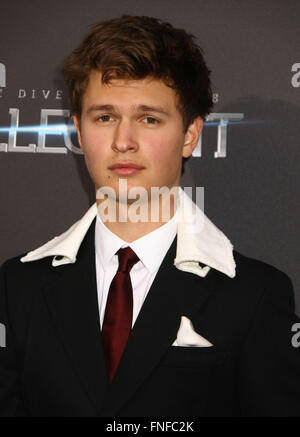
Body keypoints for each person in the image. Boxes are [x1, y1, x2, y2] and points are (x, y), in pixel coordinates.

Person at [0, 15, 299, 417]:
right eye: (104, 117)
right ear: (78, 130)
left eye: (149, 119)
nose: (123, 142)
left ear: (191, 134)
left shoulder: (256, 295)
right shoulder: (17, 287)